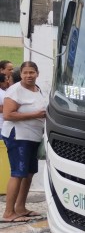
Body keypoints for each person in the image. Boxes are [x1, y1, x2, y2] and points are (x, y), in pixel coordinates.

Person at [1, 61, 47, 223]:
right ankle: (8, 213)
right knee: (18, 173)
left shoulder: (37, 89)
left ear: (37, 73)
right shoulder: (15, 90)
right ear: (20, 74)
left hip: (33, 138)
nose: (29, 75)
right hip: (18, 137)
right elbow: (8, 115)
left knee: (29, 173)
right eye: (25, 72)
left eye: (32, 72)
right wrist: (36, 115)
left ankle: (20, 208)